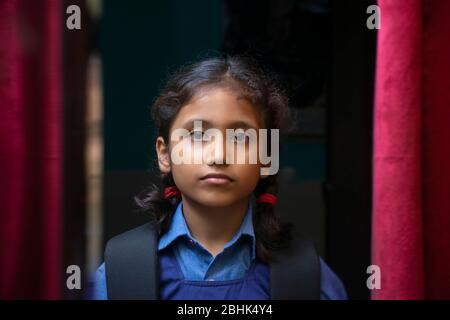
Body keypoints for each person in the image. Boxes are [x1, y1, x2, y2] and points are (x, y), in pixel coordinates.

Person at [90, 56, 347, 300]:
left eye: (241, 138)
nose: (219, 155)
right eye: (198, 134)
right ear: (165, 154)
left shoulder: (307, 276)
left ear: (267, 157)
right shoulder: (119, 273)